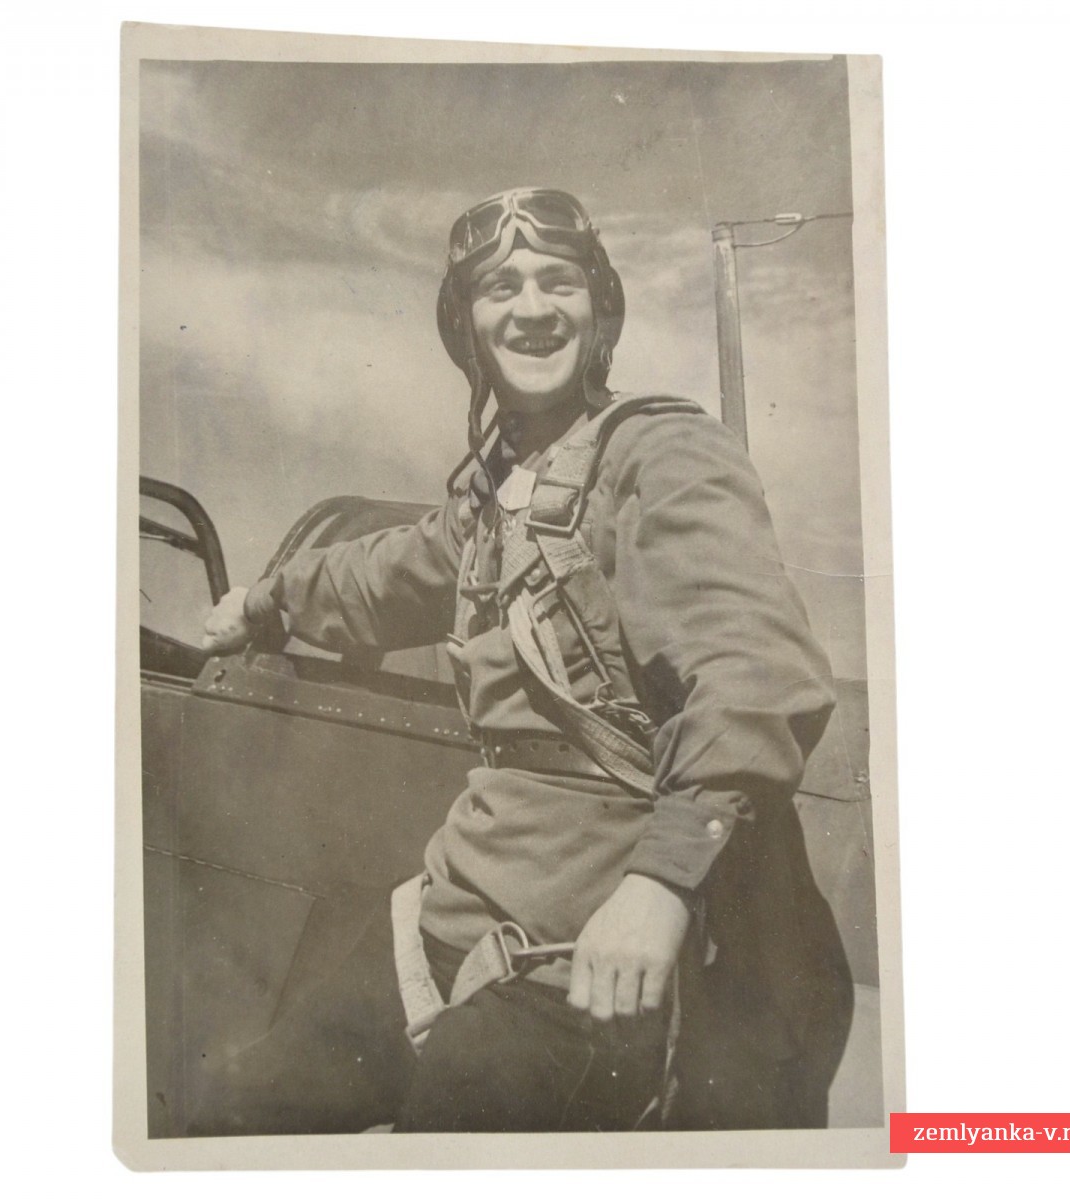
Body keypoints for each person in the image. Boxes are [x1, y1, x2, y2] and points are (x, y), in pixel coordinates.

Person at [198, 187, 851, 1135]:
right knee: (234, 1109)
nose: (533, 308)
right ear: (466, 326)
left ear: (600, 310)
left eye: (559, 282)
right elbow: (389, 575)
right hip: (455, 913)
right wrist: (261, 605)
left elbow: (754, 670)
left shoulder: (665, 456)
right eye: (500, 288)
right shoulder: (500, 489)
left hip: (596, 949)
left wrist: (661, 886)